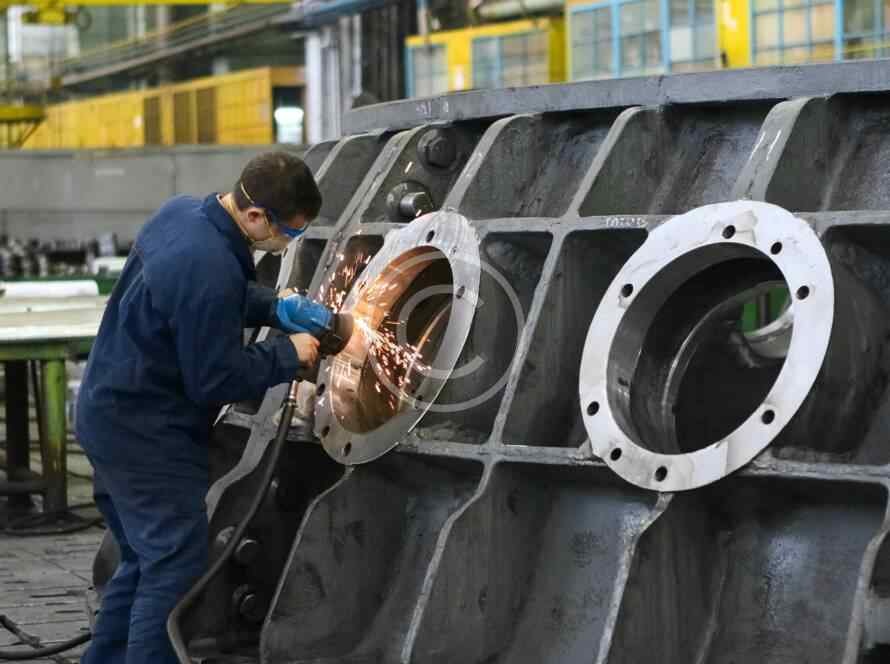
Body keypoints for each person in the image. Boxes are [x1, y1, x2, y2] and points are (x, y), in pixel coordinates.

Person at [77, 151, 322, 664]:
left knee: (142, 561)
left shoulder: (183, 214)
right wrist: (287, 354)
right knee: (172, 567)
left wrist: (276, 307)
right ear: (256, 216)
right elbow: (215, 379)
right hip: (146, 436)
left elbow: (205, 297)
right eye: (289, 233)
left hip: (109, 412)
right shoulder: (208, 264)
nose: (288, 243)